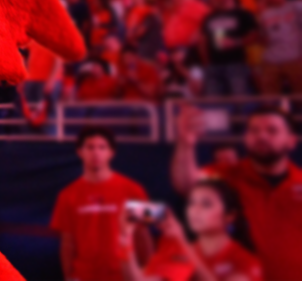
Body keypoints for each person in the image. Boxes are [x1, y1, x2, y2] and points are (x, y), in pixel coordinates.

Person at [172, 107, 301, 281]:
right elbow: (187, 186)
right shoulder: (226, 175)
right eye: (254, 130)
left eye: (272, 130)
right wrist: (185, 144)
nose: (261, 136)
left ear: (291, 141)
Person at [52, 127, 153, 281]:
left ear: (111, 152)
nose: (96, 153)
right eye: (90, 147)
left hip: (124, 275)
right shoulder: (67, 195)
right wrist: (69, 276)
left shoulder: (133, 190)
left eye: (102, 147)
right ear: (80, 152)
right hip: (84, 275)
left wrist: (148, 272)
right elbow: (67, 242)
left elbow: (143, 235)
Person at [120, 180, 262, 281]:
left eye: (206, 204)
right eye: (191, 203)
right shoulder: (177, 251)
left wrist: (181, 242)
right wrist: (125, 238)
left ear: (229, 216)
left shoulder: (245, 261)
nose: (195, 210)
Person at [197, 0, 258, 96]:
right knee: (213, 102)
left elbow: (255, 35)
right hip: (214, 65)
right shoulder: (210, 17)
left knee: (239, 99)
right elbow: (203, 40)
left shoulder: (242, 14)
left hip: (235, 63)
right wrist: (207, 62)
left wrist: (236, 42)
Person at [255, 0, 302, 95]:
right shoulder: (264, 14)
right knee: (269, 97)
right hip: (271, 60)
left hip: (295, 58)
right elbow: (264, 37)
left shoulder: (296, 6)